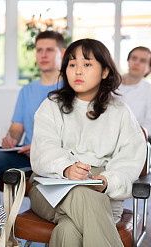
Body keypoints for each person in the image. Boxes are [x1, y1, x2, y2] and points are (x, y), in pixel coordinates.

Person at [29, 38, 146, 246]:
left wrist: (106, 181)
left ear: (105, 71)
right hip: (52, 188)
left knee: (68, 230)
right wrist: (66, 168)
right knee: (81, 193)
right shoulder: (51, 106)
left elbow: (129, 161)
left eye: (87, 64)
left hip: (104, 192)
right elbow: (44, 150)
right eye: (72, 65)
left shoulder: (120, 112)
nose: (78, 71)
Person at [0, 31, 65, 200]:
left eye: (49, 50)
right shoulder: (27, 90)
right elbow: (17, 129)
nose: (43, 55)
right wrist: (10, 139)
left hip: (56, 157)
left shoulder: (69, 89)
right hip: (27, 156)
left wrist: (42, 148)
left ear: (61, 53)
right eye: (39, 50)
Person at [117, 46, 151, 137]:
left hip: (134, 140)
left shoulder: (148, 91)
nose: (136, 63)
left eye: (142, 61)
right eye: (134, 58)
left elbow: (149, 126)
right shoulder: (110, 84)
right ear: (128, 61)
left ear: (149, 68)